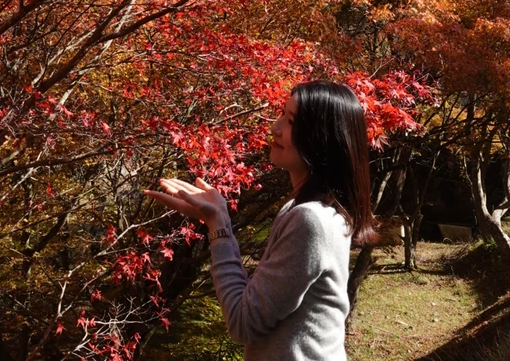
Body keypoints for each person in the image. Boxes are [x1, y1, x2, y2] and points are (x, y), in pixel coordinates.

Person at [143, 80, 378, 361]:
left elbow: (244, 322)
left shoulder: (311, 221)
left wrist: (218, 226)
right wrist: (219, 221)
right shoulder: (310, 210)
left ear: (321, 139)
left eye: (290, 121)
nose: (274, 128)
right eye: (282, 114)